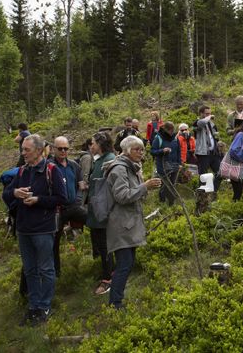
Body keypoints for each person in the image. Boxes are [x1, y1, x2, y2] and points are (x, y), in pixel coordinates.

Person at [2, 134, 67, 326]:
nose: (23, 153)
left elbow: (62, 198)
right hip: (23, 229)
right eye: (23, 149)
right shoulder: (22, 171)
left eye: (26, 150)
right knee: (30, 270)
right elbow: (6, 194)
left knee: (46, 269)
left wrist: (38, 200)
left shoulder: (52, 170)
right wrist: (15, 192)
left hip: (43, 228)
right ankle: (33, 305)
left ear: (39, 150)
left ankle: (44, 306)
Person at [105, 135, 162, 309]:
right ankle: (115, 303)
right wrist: (145, 186)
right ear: (127, 151)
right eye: (137, 149)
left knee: (126, 263)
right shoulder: (119, 169)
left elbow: (132, 194)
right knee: (124, 264)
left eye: (142, 149)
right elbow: (122, 196)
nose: (141, 153)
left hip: (128, 223)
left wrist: (145, 187)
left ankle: (116, 300)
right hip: (120, 224)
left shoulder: (130, 167)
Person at [52, 136, 87, 277]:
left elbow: (81, 184)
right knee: (54, 241)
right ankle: (56, 272)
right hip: (57, 209)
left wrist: (78, 199)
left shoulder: (74, 165)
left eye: (65, 148)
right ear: (54, 149)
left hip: (74, 206)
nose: (63, 151)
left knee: (95, 222)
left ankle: (99, 257)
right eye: (60, 148)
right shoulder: (50, 166)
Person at [85, 132, 116, 296]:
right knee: (101, 244)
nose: (91, 146)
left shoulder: (110, 160)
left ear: (100, 144)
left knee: (105, 246)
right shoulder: (100, 160)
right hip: (97, 210)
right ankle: (110, 271)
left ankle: (108, 279)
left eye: (93, 143)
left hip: (104, 211)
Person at [151, 122, 181, 206]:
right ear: (166, 129)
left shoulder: (175, 138)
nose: (172, 132)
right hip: (163, 166)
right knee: (164, 185)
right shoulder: (158, 138)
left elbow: (178, 150)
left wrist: (179, 163)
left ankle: (171, 204)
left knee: (172, 184)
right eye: (170, 131)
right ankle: (162, 202)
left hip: (175, 165)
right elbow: (152, 151)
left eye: (173, 130)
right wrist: (162, 150)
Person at [194, 105, 223, 191]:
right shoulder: (197, 122)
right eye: (207, 114)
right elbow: (202, 123)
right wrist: (209, 117)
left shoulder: (212, 124)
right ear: (201, 114)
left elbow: (215, 137)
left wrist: (219, 143)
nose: (209, 115)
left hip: (213, 153)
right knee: (203, 176)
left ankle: (213, 191)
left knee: (220, 173)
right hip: (203, 153)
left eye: (210, 113)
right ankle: (201, 195)